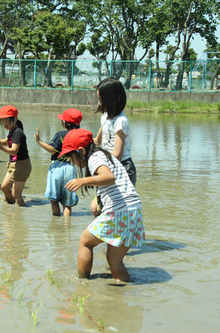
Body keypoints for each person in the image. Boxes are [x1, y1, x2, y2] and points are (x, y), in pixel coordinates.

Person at [59, 129, 145, 282]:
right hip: (134, 210)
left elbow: (109, 177)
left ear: (80, 151)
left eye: (70, 156)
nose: (71, 161)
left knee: (85, 241)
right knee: (114, 261)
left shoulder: (94, 158)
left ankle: (82, 282)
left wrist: (83, 181)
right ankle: (125, 291)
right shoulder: (106, 155)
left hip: (120, 212)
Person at [92, 77, 137, 217]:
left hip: (122, 168)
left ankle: (117, 236)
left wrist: (98, 159)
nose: (99, 103)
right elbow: (98, 141)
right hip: (107, 166)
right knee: (96, 208)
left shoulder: (121, 121)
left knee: (112, 211)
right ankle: (110, 236)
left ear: (112, 100)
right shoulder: (104, 117)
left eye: (101, 99)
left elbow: (117, 153)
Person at [34, 108, 82, 216]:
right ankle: (66, 227)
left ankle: (56, 225)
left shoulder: (61, 134)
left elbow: (53, 149)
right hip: (71, 168)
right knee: (67, 203)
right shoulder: (79, 135)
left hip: (57, 168)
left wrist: (39, 141)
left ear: (64, 122)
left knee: (54, 200)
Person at [0, 105, 31, 206]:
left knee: (16, 195)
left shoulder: (18, 133)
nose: (5, 124)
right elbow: (7, 142)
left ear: (15, 119)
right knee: (4, 188)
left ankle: (18, 217)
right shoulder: (12, 131)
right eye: (2, 122)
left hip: (21, 165)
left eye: (7, 121)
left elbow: (14, 151)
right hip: (14, 164)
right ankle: (12, 210)